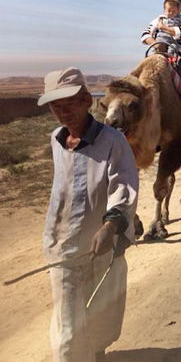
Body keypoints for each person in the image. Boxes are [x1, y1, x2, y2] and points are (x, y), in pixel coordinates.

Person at [38, 67, 139, 362]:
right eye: (56, 106)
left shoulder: (113, 141)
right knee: (67, 334)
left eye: (69, 102)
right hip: (63, 251)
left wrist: (112, 224)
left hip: (102, 248)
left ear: (85, 99)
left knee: (101, 319)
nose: (63, 111)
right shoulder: (56, 140)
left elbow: (124, 185)